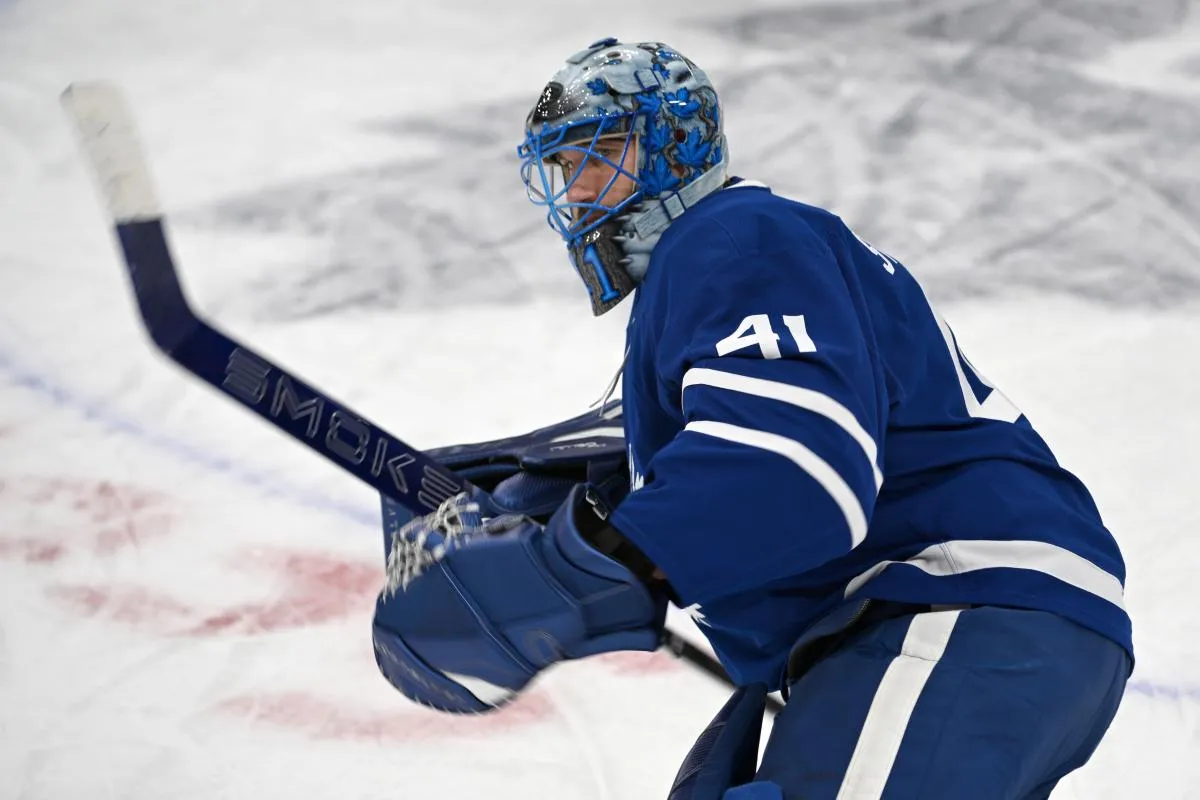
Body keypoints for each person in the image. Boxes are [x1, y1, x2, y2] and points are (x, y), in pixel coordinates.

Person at [371, 38, 1132, 799]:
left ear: (672, 145)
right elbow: (695, 455)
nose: (578, 195)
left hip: (960, 607)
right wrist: (525, 504)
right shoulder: (727, 273)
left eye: (599, 157)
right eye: (566, 171)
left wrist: (582, 567)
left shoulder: (732, 238)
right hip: (953, 629)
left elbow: (794, 466)